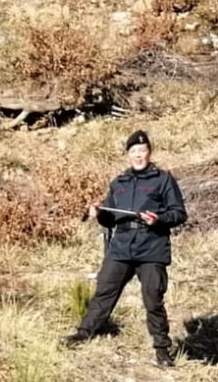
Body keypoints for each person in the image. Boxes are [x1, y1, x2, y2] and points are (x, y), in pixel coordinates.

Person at [62, 130, 187, 367]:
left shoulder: (163, 179)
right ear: (128, 154)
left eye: (142, 151)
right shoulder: (119, 182)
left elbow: (179, 213)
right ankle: (84, 332)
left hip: (152, 246)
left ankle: (162, 350)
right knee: (104, 291)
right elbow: (110, 219)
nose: (138, 156)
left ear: (149, 152)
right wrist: (98, 213)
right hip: (121, 246)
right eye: (134, 152)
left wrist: (157, 219)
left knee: (153, 299)